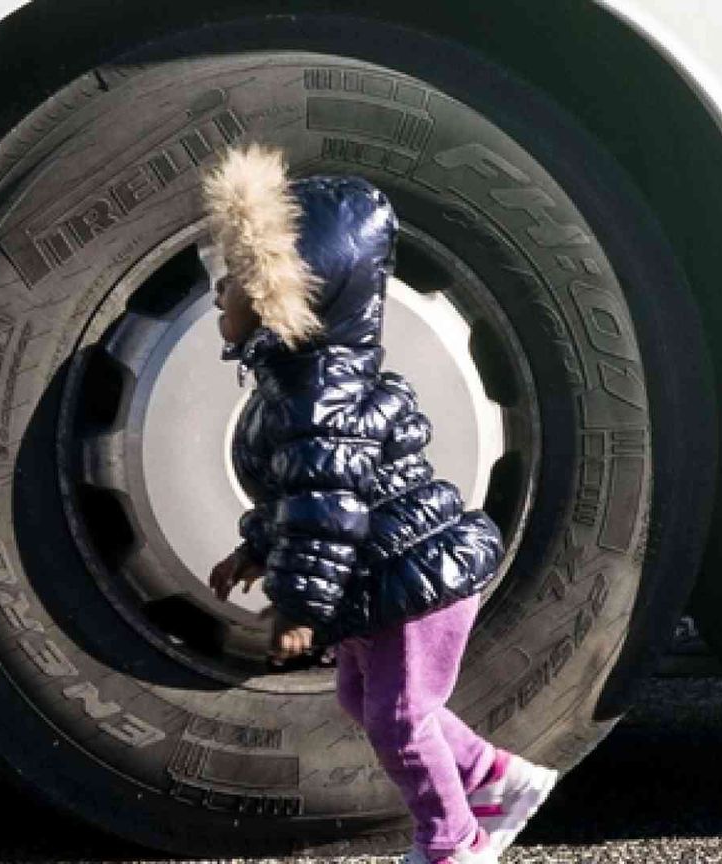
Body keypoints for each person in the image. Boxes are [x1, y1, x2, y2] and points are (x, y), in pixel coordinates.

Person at [202, 143, 558, 864]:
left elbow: (326, 512)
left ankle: (453, 843)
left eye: (236, 281)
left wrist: (298, 607)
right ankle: (499, 779)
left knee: (400, 717)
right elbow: (296, 493)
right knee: (364, 706)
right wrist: (255, 548)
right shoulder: (299, 377)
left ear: (284, 294)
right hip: (380, 575)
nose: (219, 294)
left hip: (411, 578)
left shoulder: (317, 390)